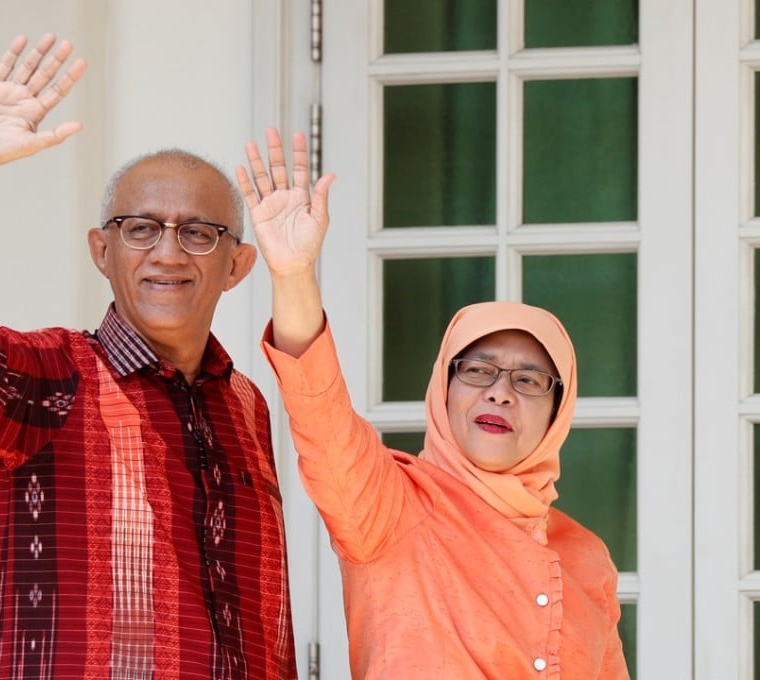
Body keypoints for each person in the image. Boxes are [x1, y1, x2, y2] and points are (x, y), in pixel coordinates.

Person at [0, 35, 296, 678]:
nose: (167, 253)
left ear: (237, 265)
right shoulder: (53, 376)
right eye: (140, 228)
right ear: (102, 253)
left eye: (198, 232)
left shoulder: (248, 406)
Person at [238, 127, 631, 678]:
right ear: (442, 389)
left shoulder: (586, 556)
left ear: (557, 412)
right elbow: (320, 414)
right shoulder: (389, 507)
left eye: (529, 380)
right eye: (477, 370)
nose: (499, 390)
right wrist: (292, 274)